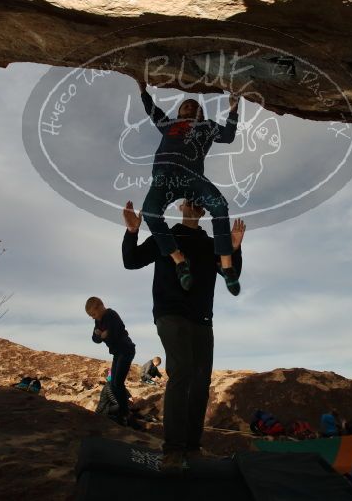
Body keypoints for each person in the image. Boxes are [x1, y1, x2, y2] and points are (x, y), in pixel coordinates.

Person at [122, 198, 245, 472]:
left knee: (201, 380)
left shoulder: (211, 244)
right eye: (189, 201)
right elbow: (131, 261)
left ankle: (192, 445)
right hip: (170, 313)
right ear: (180, 208)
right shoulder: (166, 237)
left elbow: (231, 274)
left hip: (202, 318)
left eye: (198, 202)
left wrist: (235, 249)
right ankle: (174, 450)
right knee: (182, 372)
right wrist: (132, 233)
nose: (194, 205)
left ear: (202, 211)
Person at [136, 79, 242, 296]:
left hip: (191, 176)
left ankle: (226, 264)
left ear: (201, 114)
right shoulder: (168, 125)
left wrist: (233, 109)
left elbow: (229, 136)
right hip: (164, 177)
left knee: (219, 206)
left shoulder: (208, 126)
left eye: (195, 106)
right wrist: (142, 90)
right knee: (150, 213)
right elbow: (152, 111)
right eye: (186, 105)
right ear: (179, 112)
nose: (190, 107)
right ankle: (179, 260)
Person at [86, 297, 136, 425]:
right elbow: (95, 339)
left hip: (126, 350)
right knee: (113, 384)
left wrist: (107, 335)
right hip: (117, 353)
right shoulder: (98, 321)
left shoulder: (111, 315)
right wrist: (98, 335)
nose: (93, 317)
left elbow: (118, 330)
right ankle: (123, 411)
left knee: (118, 383)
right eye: (91, 315)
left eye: (93, 314)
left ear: (100, 306)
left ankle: (124, 413)